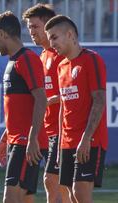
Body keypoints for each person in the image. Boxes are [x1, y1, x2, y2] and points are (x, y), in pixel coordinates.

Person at [45, 15, 108, 203]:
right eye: (50, 39)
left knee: (80, 193)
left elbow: (99, 100)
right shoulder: (61, 66)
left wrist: (86, 138)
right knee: (71, 196)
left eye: (55, 37)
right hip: (66, 143)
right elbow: (64, 106)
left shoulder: (91, 60)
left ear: (70, 34)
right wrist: (59, 147)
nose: (52, 43)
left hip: (89, 140)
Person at [0, 11, 47, 203]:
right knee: (25, 199)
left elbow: (41, 99)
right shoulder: (13, 62)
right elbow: (19, 110)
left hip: (24, 144)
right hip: (17, 142)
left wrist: (32, 139)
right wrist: (5, 138)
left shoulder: (27, 59)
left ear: (3, 34)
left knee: (11, 199)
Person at [22, 4, 70, 203]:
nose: (31, 32)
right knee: (61, 186)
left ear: (48, 25)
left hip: (64, 129)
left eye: (35, 26)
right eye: (29, 27)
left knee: (52, 181)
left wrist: (50, 101)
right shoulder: (42, 56)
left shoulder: (63, 54)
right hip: (47, 130)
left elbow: (74, 92)